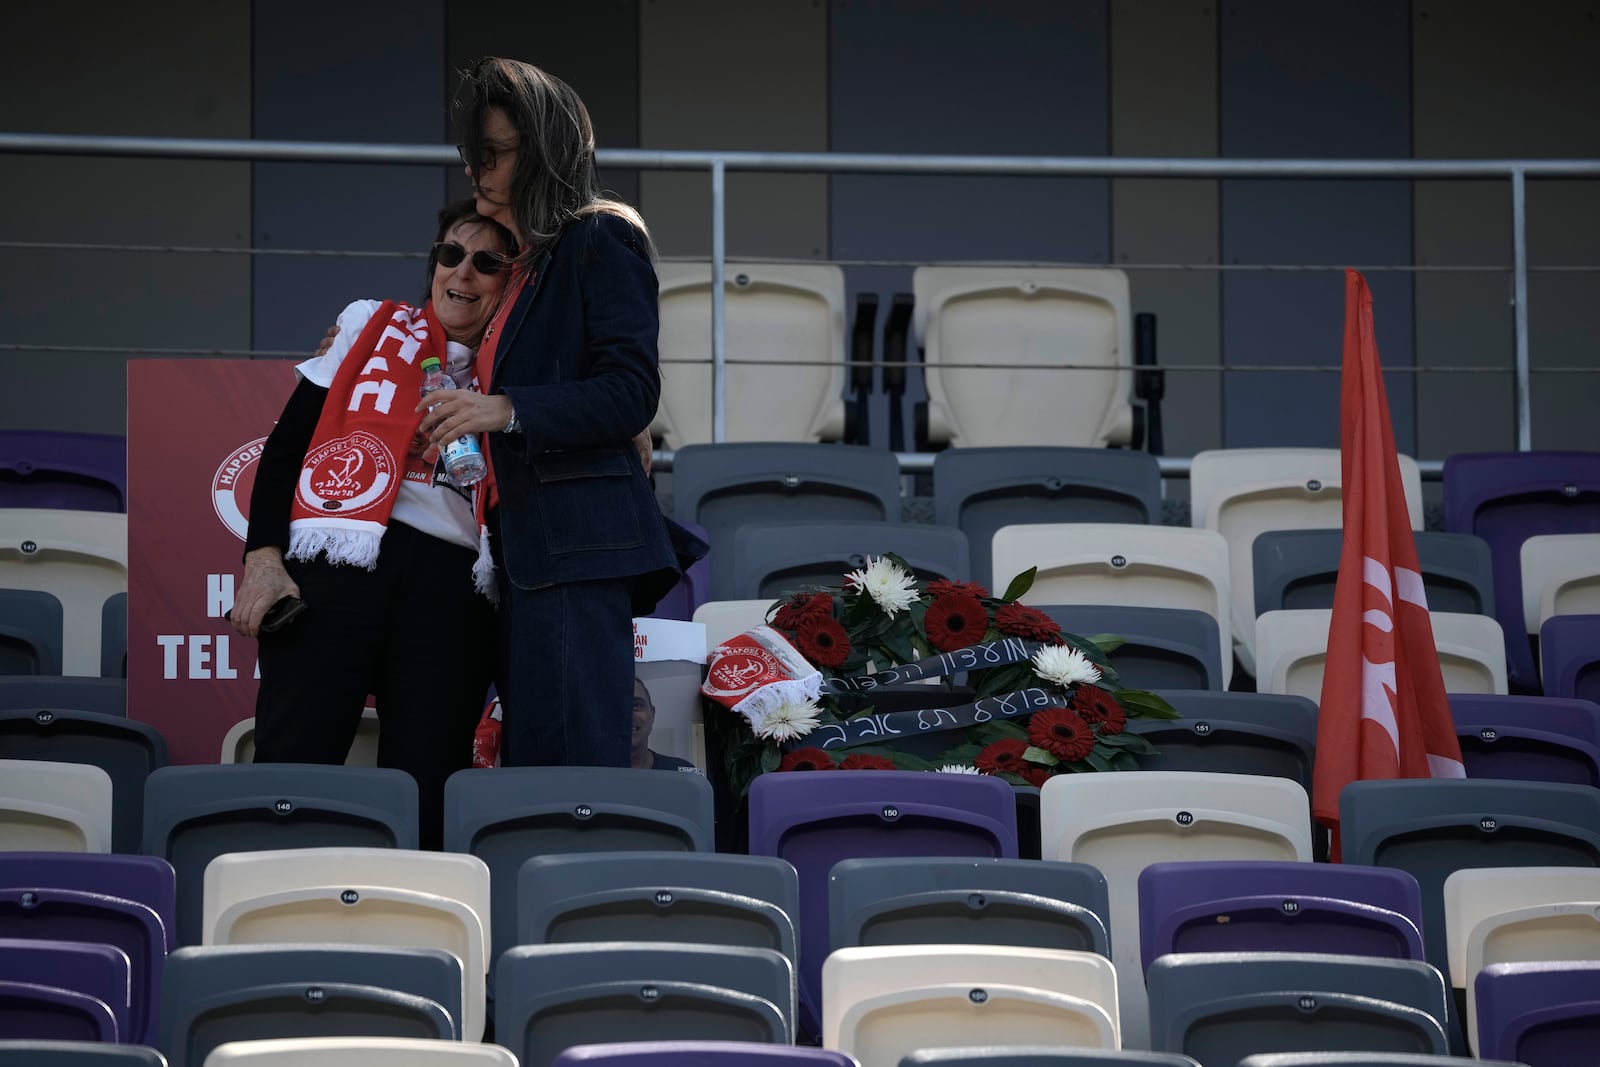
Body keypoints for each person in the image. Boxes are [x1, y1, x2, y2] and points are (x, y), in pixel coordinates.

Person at [416, 57, 703, 769]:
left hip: (575, 549)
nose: (478, 170)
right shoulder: (526, 262)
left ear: (545, 150)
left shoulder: (600, 236)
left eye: (497, 153)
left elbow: (632, 390)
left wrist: (506, 408)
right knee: (540, 764)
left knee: (574, 766)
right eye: (472, 154)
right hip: (527, 550)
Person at [231, 199, 517, 849]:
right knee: (294, 760)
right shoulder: (369, 324)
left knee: (429, 782)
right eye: (451, 254)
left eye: (487, 262)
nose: (463, 273)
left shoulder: (522, 371)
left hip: (451, 582)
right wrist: (264, 558)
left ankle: (413, 929)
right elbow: (284, 450)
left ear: (511, 280)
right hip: (340, 558)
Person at [632, 676, 699, 772]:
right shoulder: (602, 772)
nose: (628, 714)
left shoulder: (687, 772)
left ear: (652, 714)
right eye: (618, 707)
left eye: (637, 705)